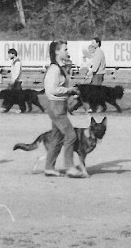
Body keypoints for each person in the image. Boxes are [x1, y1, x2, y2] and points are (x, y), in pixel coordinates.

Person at [42, 40, 83, 178]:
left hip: (60, 106)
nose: (67, 52)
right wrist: (68, 90)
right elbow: (51, 89)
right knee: (71, 135)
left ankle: (49, 167)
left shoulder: (60, 68)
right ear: (57, 52)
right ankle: (69, 167)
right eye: (65, 49)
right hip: (56, 107)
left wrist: (70, 92)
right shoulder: (53, 69)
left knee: (57, 137)